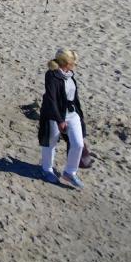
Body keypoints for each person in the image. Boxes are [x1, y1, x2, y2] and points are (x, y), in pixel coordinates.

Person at [39, 49, 87, 189]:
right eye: (72, 62)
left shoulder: (70, 75)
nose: (74, 64)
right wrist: (59, 120)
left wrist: (80, 115)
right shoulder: (52, 76)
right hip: (55, 114)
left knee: (78, 143)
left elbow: (74, 97)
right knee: (51, 142)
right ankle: (46, 169)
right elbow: (52, 99)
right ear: (66, 63)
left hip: (72, 114)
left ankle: (70, 172)